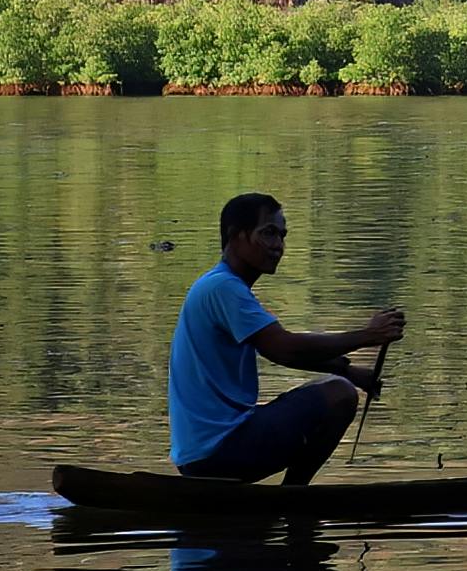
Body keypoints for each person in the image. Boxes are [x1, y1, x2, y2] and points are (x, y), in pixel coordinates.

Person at [167, 193, 405, 485]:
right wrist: (368, 336)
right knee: (339, 394)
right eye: (268, 233)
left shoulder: (219, 285)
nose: (278, 245)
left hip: (201, 455)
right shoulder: (224, 288)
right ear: (236, 236)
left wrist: (348, 370)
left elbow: (276, 348)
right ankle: (294, 497)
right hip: (218, 451)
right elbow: (285, 349)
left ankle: (290, 505)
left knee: (337, 383)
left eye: (281, 235)